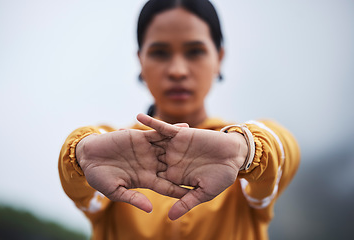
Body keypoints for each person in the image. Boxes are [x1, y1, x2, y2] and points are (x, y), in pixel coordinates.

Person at [58, 0, 300, 239]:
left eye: (195, 51)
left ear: (220, 58)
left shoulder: (244, 161)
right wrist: (79, 155)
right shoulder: (112, 155)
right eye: (159, 53)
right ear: (140, 61)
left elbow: (281, 150)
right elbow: (83, 182)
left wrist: (246, 149)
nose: (177, 70)